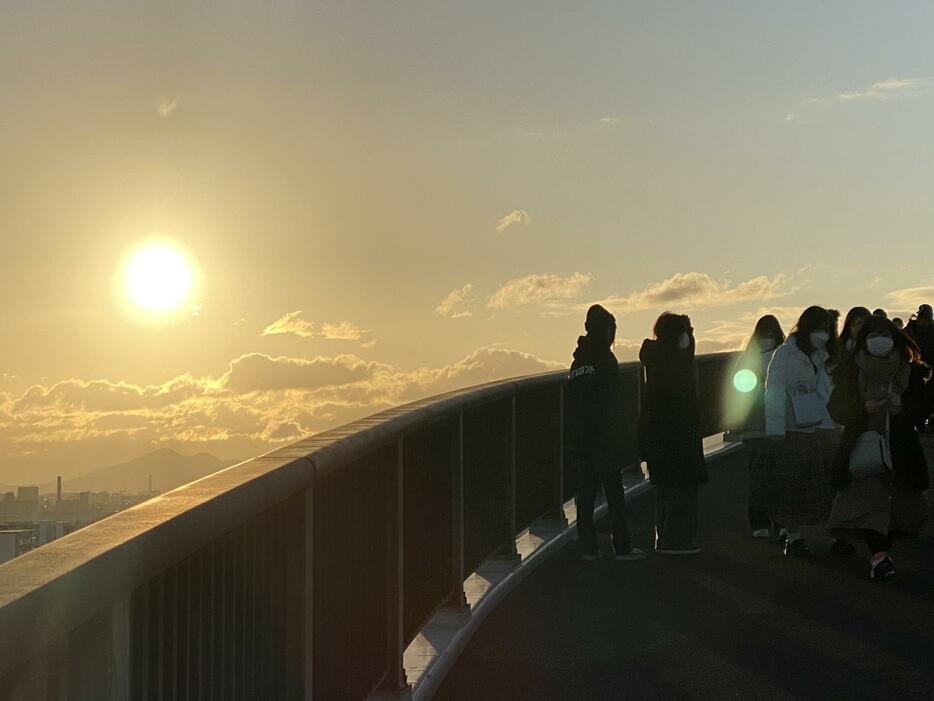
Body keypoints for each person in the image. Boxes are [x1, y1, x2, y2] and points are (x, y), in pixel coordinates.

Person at [827, 316, 929, 580]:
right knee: (868, 499)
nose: (879, 341)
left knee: (898, 502)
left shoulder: (910, 370)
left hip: (900, 446)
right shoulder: (850, 370)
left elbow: (924, 406)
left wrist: (902, 409)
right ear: (864, 340)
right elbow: (836, 407)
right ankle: (878, 555)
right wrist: (862, 410)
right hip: (863, 446)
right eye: (873, 336)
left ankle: (881, 550)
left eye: (884, 335)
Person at [754, 306, 841, 557]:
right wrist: (776, 429)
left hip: (827, 427)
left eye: (826, 330)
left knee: (828, 484)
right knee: (795, 485)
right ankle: (793, 536)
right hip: (797, 429)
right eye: (818, 329)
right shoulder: (785, 355)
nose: (823, 335)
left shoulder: (828, 357)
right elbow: (775, 393)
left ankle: (834, 533)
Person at [566, 304, 646, 561]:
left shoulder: (577, 362)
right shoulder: (606, 361)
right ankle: (621, 546)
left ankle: (588, 547)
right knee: (614, 492)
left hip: (580, 438)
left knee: (585, 494)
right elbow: (614, 402)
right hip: (603, 438)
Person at [637, 312, 707, 555]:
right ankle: (679, 540)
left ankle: (665, 537)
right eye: (687, 332)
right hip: (679, 436)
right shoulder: (676, 366)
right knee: (682, 487)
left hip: (658, 437)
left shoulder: (658, 360)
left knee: (665, 487)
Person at [726, 315, 786, 538]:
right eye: (764, 335)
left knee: (777, 477)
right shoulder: (750, 359)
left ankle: (779, 523)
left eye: (770, 335)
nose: (767, 339)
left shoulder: (783, 356)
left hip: (776, 425)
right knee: (760, 477)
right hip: (756, 426)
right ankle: (762, 522)